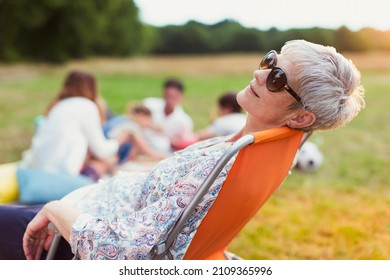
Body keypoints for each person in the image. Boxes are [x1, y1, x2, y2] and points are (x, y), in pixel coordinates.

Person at [0, 40, 365, 260]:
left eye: (278, 78)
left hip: (72, 235)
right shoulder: (256, 150)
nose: (260, 73)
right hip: (92, 207)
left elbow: (130, 254)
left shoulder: (227, 166)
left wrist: (58, 209)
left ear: (301, 117)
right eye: (271, 61)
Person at [20, 70, 129, 181]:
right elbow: (101, 150)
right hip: (64, 175)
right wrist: (118, 142)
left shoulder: (58, 105)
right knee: (109, 159)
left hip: (38, 169)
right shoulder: (87, 106)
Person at [143, 78, 194, 151]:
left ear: (181, 97)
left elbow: (184, 143)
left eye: (174, 97)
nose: (170, 100)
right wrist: (149, 124)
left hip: (162, 148)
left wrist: (174, 142)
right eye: (168, 96)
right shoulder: (150, 104)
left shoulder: (184, 120)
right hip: (144, 139)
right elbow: (132, 110)